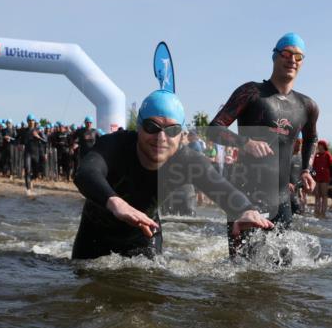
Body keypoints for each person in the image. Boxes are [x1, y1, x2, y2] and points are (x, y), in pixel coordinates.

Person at [71, 89, 271, 260]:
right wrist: (116, 202)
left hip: (143, 234)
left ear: (182, 134)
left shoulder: (186, 160)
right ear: (139, 127)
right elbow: (85, 173)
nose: (161, 138)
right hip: (94, 236)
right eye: (152, 127)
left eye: (172, 130)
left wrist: (246, 210)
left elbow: (222, 189)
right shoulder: (115, 144)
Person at [207, 32, 318, 254]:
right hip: (243, 197)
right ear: (275, 57)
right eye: (286, 53)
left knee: (281, 269)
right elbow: (214, 129)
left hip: (281, 198)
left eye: (298, 56)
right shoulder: (251, 92)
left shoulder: (307, 105)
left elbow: (312, 137)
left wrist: (306, 169)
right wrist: (244, 142)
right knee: (240, 267)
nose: (292, 60)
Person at [311, 139, 332, 217]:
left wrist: (331, 177)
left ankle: (323, 212)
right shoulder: (316, 155)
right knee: (317, 195)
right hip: (316, 177)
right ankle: (316, 211)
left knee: (324, 195)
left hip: (325, 178)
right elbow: (313, 167)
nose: (319, 147)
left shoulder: (327, 154)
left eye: (321, 145)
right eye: (319, 145)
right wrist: (313, 176)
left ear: (324, 146)